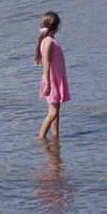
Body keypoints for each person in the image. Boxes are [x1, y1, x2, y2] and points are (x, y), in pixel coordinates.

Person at [35, 11, 70, 142]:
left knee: (56, 111)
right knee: (53, 113)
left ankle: (55, 136)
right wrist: (48, 83)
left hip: (56, 79)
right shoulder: (48, 41)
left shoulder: (50, 40)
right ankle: (41, 137)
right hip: (52, 80)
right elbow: (46, 62)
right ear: (56, 26)